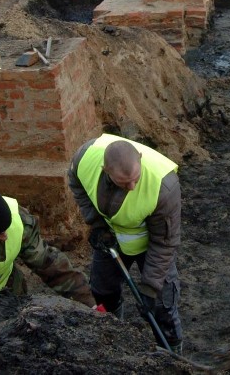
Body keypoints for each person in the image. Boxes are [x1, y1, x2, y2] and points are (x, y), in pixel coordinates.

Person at [68, 134, 183, 354]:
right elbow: (77, 185)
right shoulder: (84, 161)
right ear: (105, 170)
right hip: (111, 238)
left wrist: (149, 288)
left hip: (152, 243)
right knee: (102, 291)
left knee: (162, 306)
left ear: (140, 159)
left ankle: (172, 356)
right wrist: (97, 225)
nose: (131, 187)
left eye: (136, 179)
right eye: (123, 182)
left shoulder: (164, 186)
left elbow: (165, 243)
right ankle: (111, 338)